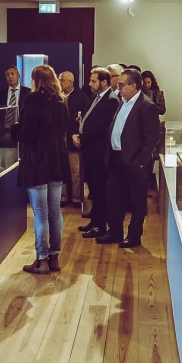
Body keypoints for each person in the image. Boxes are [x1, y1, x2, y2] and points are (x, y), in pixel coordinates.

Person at [11, 65, 71, 275]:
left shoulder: (33, 100)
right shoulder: (61, 101)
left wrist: (14, 130)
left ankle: (41, 260)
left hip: (37, 161)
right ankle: (54, 257)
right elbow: (64, 129)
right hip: (57, 160)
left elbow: (28, 134)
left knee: (40, 214)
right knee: (55, 211)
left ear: (36, 80)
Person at [96, 68, 161, 248]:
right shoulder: (122, 102)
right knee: (113, 197)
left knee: (137, 201)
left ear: (133, 85)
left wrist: (140, 161)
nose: (118, 87)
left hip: (134, 161)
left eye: (122, 84)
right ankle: (115, 231)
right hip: (116, 158)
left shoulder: (147, 106)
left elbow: (152, 138)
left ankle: (134, 236)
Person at [74, 67, 119, 240]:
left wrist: (82, 138)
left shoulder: (111, 100)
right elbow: (88, 119)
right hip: (89, 150)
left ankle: (100, 226)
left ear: (104, 82)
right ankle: (94, 222)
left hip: (99, 153)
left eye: (94, 81)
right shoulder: (96, 96)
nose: (90, 84)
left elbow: (101, 127)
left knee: (100, 191)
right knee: (93, 189)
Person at [60, 70, 87, 209]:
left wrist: (77, 134)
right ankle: (63, 196)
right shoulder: (56, 96)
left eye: (62, 80)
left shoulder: (81, 97)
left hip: (73, 140)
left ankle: (76, 197)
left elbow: (84, 119)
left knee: (75, 171)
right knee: (60, 170)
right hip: (59, 141)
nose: (59, 82)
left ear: (70, 82)